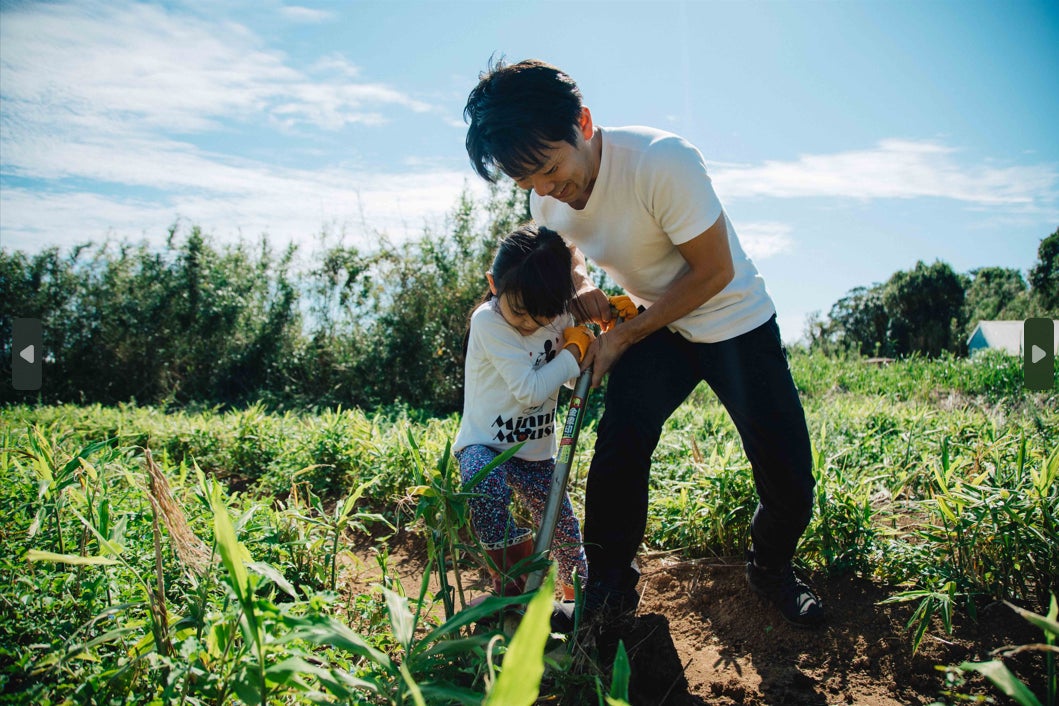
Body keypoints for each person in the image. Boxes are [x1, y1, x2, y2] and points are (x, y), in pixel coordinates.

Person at [463, 58, 824, 628]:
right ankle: (607, 593)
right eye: (529, 184)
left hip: (733, 319)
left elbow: (714, 272)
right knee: (619, 452)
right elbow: (569, 254)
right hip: (660, 325)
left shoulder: (661, 162)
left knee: (789, 483)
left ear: (582, 122)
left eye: (552, 170)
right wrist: (580, 285)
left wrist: (623, 337)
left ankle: (770, 567)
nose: (548, 191)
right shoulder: (546, 196)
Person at [453, 223, 595, 602]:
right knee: (484, 488)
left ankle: (578, 601)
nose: (531, 323)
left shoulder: (559, 319)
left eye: (542, 315)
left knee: (562, 526)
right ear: (494, 284)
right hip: (485, 445)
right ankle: (519, 590)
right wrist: (572, 354)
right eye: (521, 311)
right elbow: (529, 389)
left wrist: (587, 347)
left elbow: (566, 381)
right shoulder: (489, 321)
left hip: (535, 452)